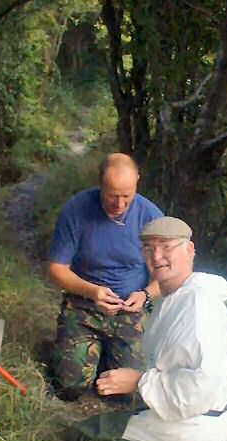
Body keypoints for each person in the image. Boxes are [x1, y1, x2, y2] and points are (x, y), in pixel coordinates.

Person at [65, 216, 227, 441]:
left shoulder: (197, 305)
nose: (156, 257)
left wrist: (138, 382)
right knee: (123, 419)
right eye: (149, 249)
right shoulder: (180, 296)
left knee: (83, 435)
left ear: (189, 250)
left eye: (166, 247)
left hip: (191, 428)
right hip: (210, 428)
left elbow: (200, 386)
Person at [48, 153, 163, 399]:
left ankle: (104, 355)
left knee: (133, 391)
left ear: (137, 184)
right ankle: (80, 352)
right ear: (100, 184)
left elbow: (167, 275)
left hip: (131, 310)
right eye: (112, 196)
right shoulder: (75, 211)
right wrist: (92, 292)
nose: (120, 205)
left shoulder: (151, 216)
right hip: (84, 305)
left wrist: (145, 295)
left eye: (126, 196)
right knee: (69, 387)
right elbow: (57, 269)